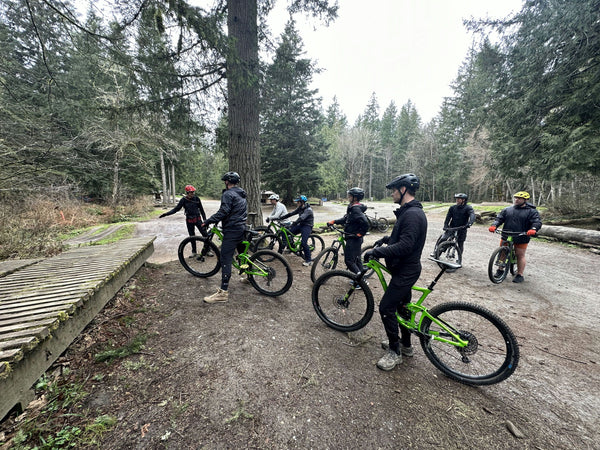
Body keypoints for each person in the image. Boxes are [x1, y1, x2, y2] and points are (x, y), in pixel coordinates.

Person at [362, 174, 427, 371]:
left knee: (386, 308)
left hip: (406, 271)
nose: (392, 194)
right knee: (403, 308)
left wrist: (377, 251)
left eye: (394, 190)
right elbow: (405, 236)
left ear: (404, 190)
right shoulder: (409, 212)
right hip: (404, 269)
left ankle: (394, 351)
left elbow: (406, 245)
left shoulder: (412, 214)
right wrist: (388, 238)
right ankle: (406, 346)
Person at [202, 172, 248, 303]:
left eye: (225, 181)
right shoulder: (241, 193)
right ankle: (248, 277)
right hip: (242, 227)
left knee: (225, 257)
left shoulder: (228, 194)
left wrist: (208, 221)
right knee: (242, 254)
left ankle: (223, 292)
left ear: (227, 181)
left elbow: (224, 211)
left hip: (232, 229)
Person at [488, 191, 542, 283]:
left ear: (525, 200)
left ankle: (520, 274)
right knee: (502, 252)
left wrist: (533, 229)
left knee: (520, 255)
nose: (516, 200)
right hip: (507, 234)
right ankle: (500, 270)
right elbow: (499, 218)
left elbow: (536, 221)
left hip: (522, 236)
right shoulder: (507, 209)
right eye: (515, 198)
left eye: (519, 198)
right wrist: (494, 225)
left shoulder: (531, 211)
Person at [159, 185, 211, 256]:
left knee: (205, 235)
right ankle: (194, 252)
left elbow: (201, 210)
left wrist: (205, 220)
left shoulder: (197, 199)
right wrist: (166, 214)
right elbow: (176, 209)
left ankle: (207, 250)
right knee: (192, 236)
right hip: (189, 221)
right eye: (191, 192)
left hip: (198, 219)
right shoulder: (183, 200)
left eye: (193, 192)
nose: (192, 193)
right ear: (187, 192)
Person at [327, 187, 369, 274]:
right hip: (352, 236)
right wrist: (334, 221)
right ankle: (362, 278)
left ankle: (359, 281)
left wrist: (360, 234)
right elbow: (346, 219)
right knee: (357, 260)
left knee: (349, 261)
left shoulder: (356, 209)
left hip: (354, 238)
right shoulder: (352, 207)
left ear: (355, 197)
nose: (348, 197)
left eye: (350, 196)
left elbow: (365, 223)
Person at [280, 195, 314, 266]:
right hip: (301, 224)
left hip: (307, 226)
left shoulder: (308, 210)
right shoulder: (300, 208)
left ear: (302, 202)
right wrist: (281, 218)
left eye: (298, 202)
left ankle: (308, 260)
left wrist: (295, 223)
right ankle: (291, 247)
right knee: (287, 232)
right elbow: (291, 214)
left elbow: (301, 218)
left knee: (303, 243)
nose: (297, 203)